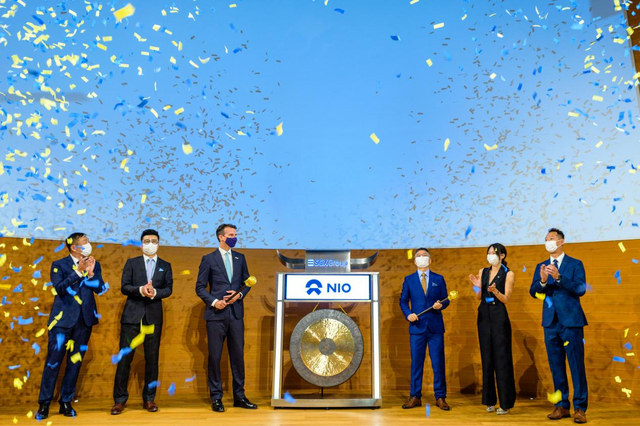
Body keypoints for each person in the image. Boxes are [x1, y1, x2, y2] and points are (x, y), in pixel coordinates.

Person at [35, 233, 106, 420]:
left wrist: (91, 274)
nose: (89, 245)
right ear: (74, 247)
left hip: (84, 321)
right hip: (62, 322)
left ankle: (66, 401)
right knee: (53, 363)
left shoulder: (94, 264)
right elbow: (59, 288)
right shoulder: (59, 265)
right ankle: (44, 403)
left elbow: (100, 288)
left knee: (75, 363)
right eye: (85, 242)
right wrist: (78, 272)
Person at [195, 223, 257, 412]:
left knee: (238, 356)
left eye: (235, 235)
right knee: (215, 357)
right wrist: (215, 302)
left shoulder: (240, 258)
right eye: (231, 235)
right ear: (221, 237)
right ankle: (216, 398)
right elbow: (199, 287)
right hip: (216, 315)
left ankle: (240, 396)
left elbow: (247, 283)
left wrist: (240, 295)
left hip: (236, 314)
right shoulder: (208, 259)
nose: (234, 238)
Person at [111, 229, 173, 415]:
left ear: (158, 244)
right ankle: (119, 400)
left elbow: (168, 289)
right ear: (141, 244)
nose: (150, 244)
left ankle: (149, 399)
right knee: (125, 359)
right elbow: (124, 287)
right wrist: (140, 290)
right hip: (132, 317)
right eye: (147, 241)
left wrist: (155, 292)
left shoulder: (165, 265)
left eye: (154, 241)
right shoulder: (132, 263)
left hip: (153, 318)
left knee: (152, 360)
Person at [529, 228, 588, 424]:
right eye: (546, 239)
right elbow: (534, 292)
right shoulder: (541, 266)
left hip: (571, 321)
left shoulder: (575, 264)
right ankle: (562, 405)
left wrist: (559, 277)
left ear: (561, 242)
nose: (548, 242)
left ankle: (580, 408)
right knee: (556, 365)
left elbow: (580, 289)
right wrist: (542, 281)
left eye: (552, 239)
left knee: (576, 365)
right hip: (550, 322)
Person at [399, 248, 451, 411]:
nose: (421, 258)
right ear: (415, 261)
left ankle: (440, 397)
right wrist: (408, 314)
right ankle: (415, 396)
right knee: (416, 363)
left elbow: (446, 299)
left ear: (430, 260)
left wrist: (441, 305)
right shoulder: (409, 280)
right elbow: (403, 301)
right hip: (417, 328)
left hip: (435, 328)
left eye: (424, 256)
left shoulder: (438, 278)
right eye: (418, 256)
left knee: (438, 363)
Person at [469, 243, 516, 415]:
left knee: (502, 358)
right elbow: (478, 296)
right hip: (483, 315)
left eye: (494, 253)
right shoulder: (483, 271)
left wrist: (495, 291)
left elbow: (506, 299)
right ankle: (489, 400)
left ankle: (505, 403)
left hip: (499, 315)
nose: (490, 255)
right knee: (487, 357)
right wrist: (477, 286)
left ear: (502, 255)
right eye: (488, 252)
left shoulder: (508, 273)